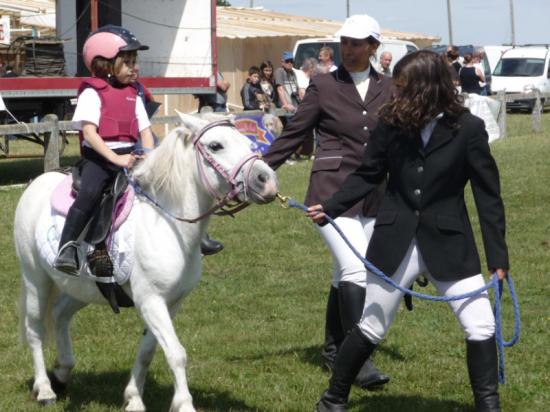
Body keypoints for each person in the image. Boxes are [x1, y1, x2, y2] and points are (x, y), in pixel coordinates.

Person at [308, 50, 508, 412]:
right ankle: (333, 399)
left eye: (401, 87)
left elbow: (488, 198)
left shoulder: (469, 129)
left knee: (481, 325)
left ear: (426, 88)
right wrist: (332, 207)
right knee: (372, 326)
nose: (394, 93)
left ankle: (488, 407)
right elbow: (368, 174)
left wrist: (498, 259)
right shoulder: (391, 124)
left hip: (450, 244)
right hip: (395, 241)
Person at [264, 14, 392, 390]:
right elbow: (295, 133)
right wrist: (259, 171)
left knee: (344, 273)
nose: (347, 49)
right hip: (330, 190)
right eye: (344, 43)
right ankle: (358, 359)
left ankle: (334, 352)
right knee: (356, 269)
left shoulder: (390, 87)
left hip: (375, 194)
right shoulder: (322, 85)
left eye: (356, 43)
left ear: (373, 47)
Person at [54, 25, 154, 274]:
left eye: (134, 61)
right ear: (106, 64)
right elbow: (90, 133)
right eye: (127, 62)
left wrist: (149, 155)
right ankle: (67, 247)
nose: (134, 67)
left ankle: (194, 236)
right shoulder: (92, 93)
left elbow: (145, 131)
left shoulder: (134, 93)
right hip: (99, 160)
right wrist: (115, 159)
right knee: (90, 192)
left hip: (130, 156)